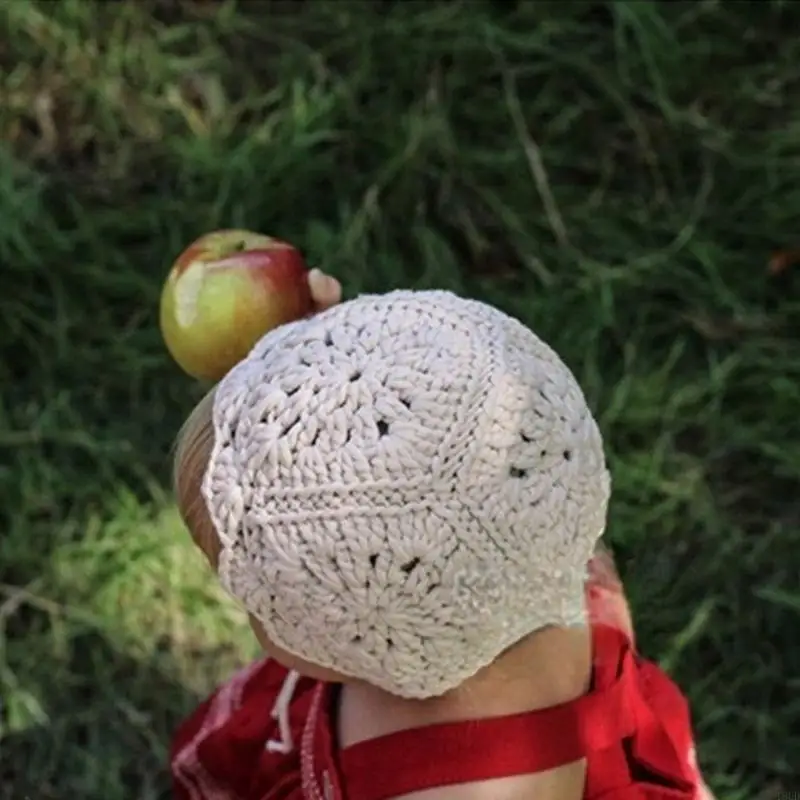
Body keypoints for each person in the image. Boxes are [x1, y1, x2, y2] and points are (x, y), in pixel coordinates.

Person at [169, 269, 717, 800]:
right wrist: (324, 370)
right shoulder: (539, 553)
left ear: (365, 614)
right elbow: (427, 483)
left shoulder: (466, 790)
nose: (246, 606)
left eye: (253, 594)